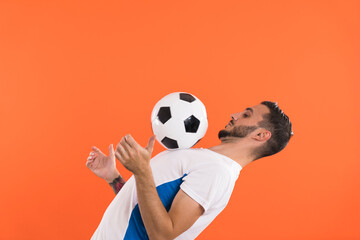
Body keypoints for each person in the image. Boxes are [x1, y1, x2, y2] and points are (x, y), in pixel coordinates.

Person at [86, 101, 293, 240]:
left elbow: (163, 235)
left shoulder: (217, 171)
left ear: (260, 135)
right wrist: (113, 178)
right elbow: (142, 208)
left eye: (246, 115)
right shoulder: (207, 161)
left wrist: (142, 171)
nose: (235, 115)